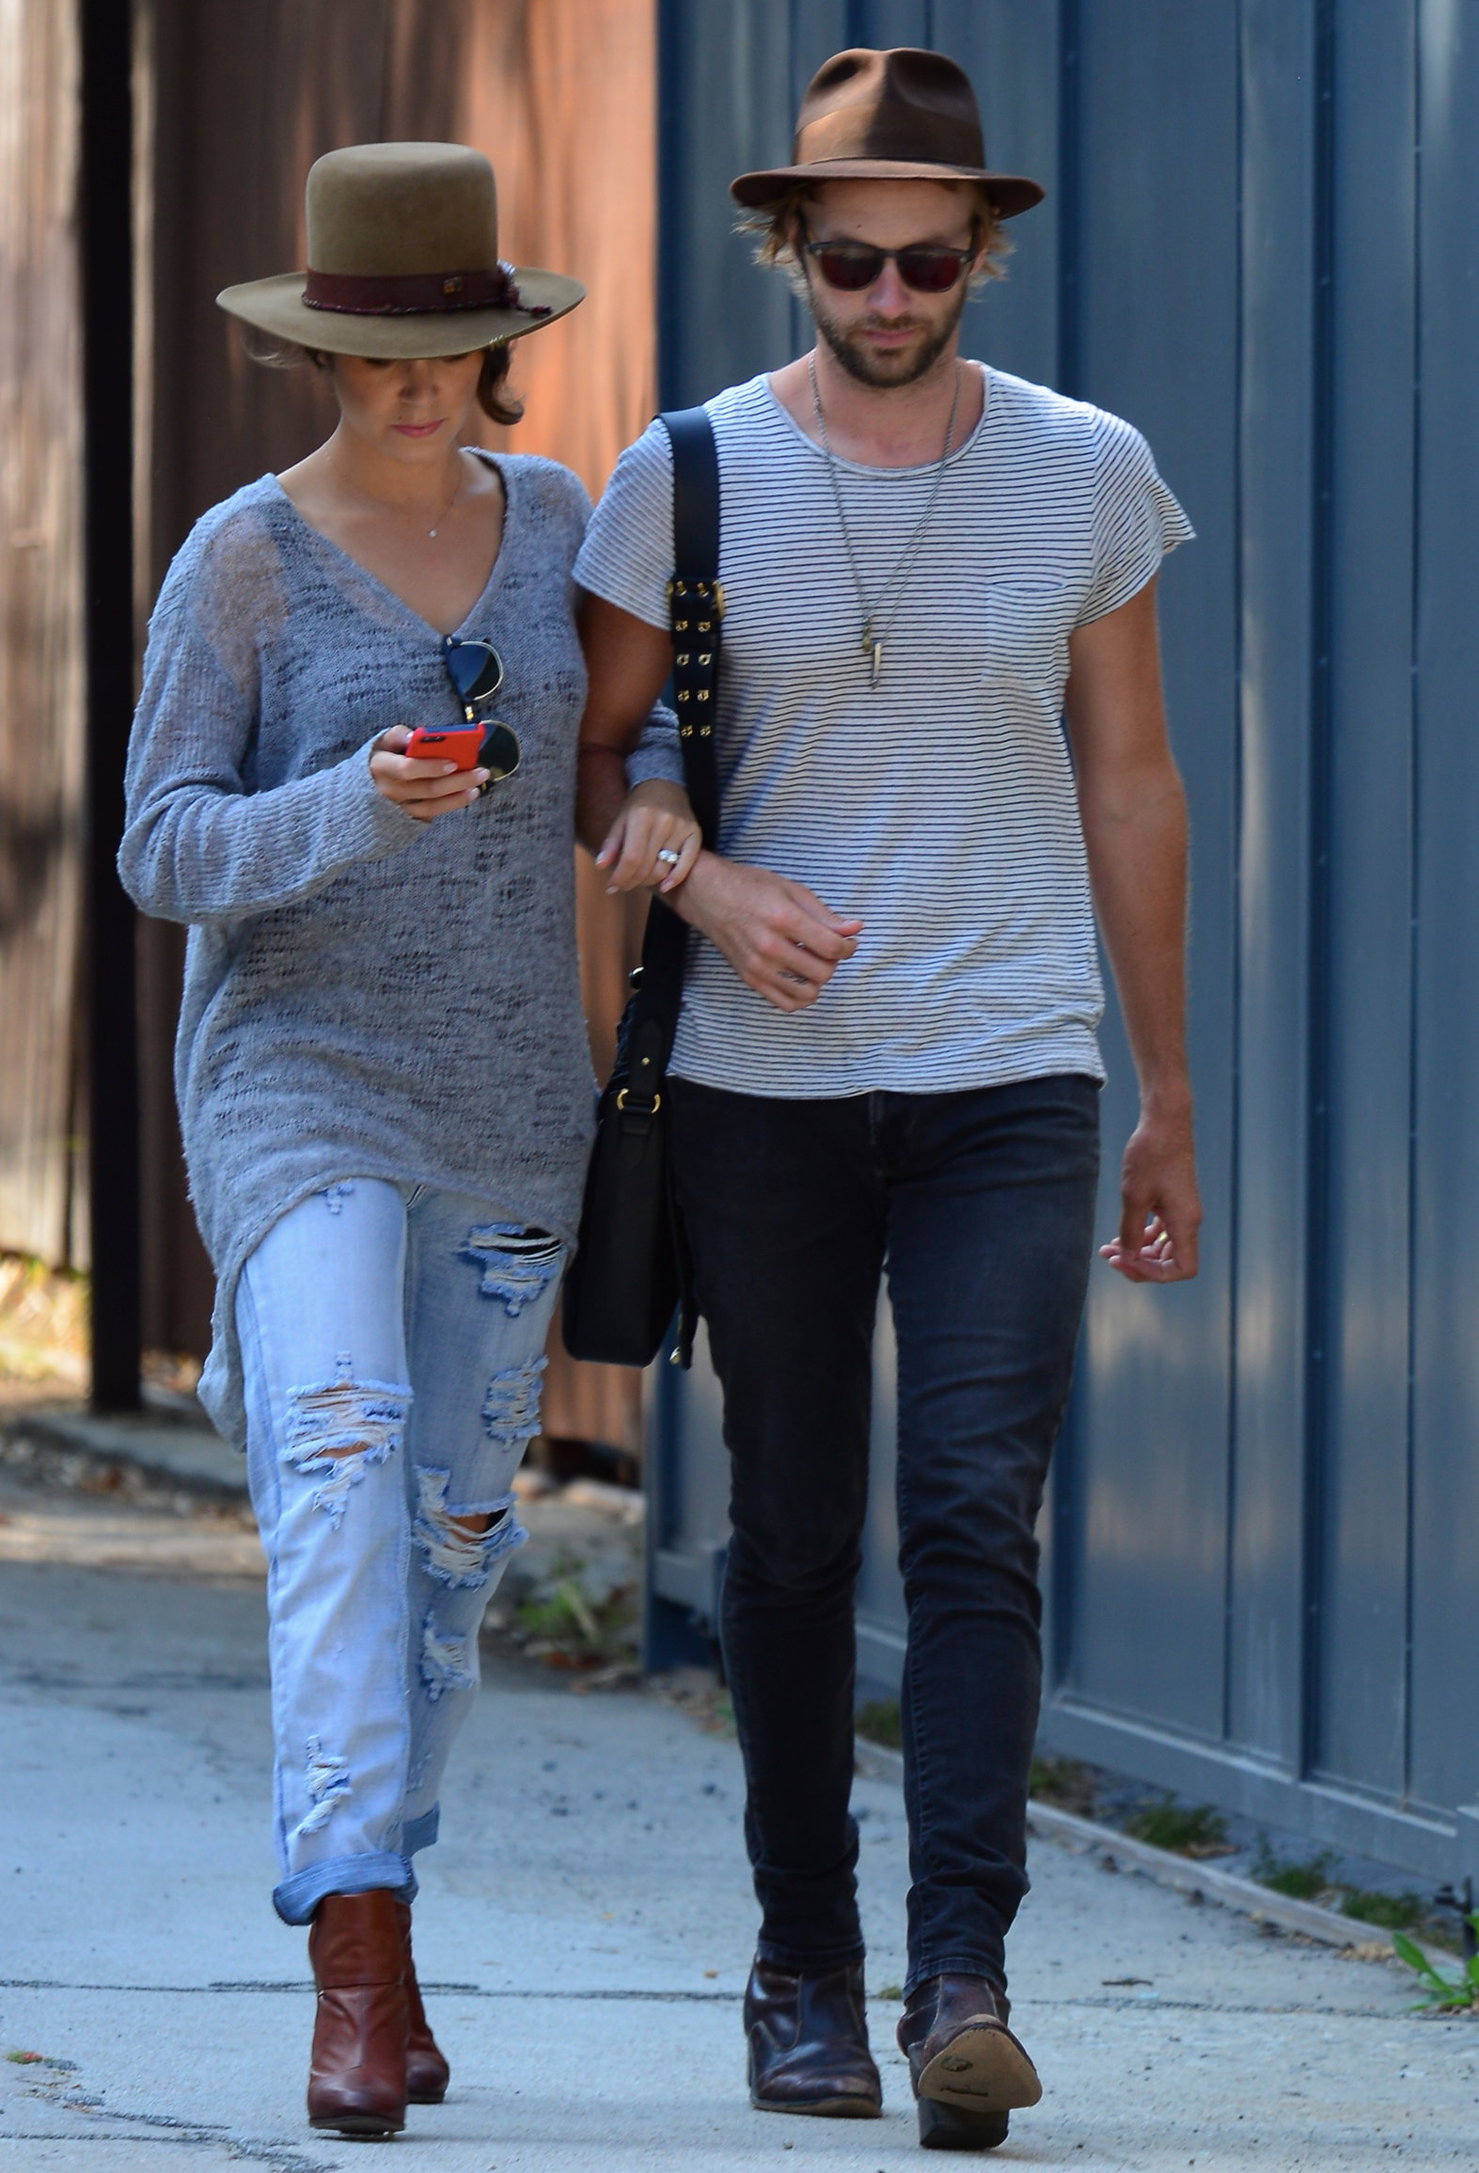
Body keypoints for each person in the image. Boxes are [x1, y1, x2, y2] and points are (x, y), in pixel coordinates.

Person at [575, 46, 1203, 2155]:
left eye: (927, 261)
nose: (886, 295)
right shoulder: (683, 474)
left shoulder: (1087, 469)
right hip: (761, 1087)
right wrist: (707, 875)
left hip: (1008, 1067)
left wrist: (1165, 1087)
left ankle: (963, 1974)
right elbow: (606, 762)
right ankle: (798, 1966)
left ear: (980, 258)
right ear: (792, 254)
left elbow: (1129, 771)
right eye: (848, 261)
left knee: (966, 1511)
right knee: (784, 1530)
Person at [120, 141, 675, 2141]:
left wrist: (657, 815)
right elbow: (162, 846)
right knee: (344, 1457)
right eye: (382, 354)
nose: (419, 383)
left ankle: (394, 1888)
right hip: (299, 1086)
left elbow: (639, 734)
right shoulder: (241, 559)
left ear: (499, 346)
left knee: (450, 1545)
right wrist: (352, 803)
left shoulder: (560, 523)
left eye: (454, 345)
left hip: (513, 1102)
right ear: (322, 357)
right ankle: (346, 1953)